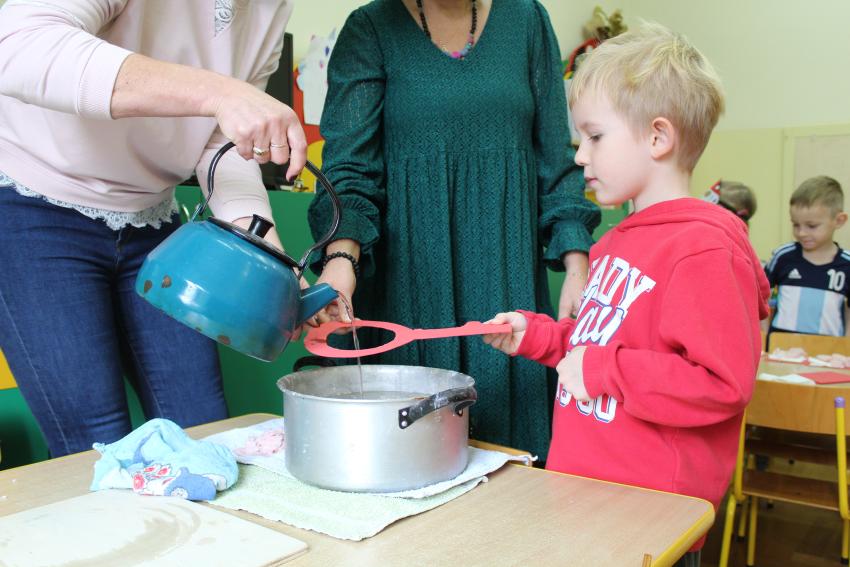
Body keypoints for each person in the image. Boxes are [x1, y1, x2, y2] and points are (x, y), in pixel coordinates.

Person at [482, 23, 770, 561]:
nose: (581, 157)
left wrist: (602, 370)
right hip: (585, 500)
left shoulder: (703, 249)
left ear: (658, 138)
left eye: (594, 137)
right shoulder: (613, 243)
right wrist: (537, 336)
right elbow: (598, 344)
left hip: (652, 518)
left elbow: (720, 383)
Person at [0, 0, 307, 458]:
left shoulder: (273, 9)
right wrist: (222, 92)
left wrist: (278, 265)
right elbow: (18, 43)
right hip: (35, 203)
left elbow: (224, 148)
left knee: (204, 425)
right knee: (96, 442)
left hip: (153, 218)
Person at [306, 0, 600, 461]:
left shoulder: (527, 21)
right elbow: (348, 172)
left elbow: (556, 162)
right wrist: (341, 262)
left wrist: (578, 267)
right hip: (409, 296)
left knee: (517, 476)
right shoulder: (371, 28)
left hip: (509, 287)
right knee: (410, 465)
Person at [764, 176, 850, 336]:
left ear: (839, 221)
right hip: (781, 347)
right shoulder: (783, 257)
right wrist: (763, 337)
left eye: (811, 226)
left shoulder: (847, 264)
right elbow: (760, 297)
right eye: (796, 224)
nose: (801, 233)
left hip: (830, 349)